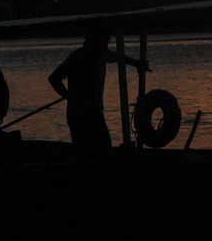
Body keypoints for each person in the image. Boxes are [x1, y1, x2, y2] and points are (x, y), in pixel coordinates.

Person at [48, 22, 148, 159]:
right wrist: (68, 96)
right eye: (104, 40)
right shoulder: (77, 58)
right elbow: (54, 78)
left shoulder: (102, 54)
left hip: (92, 110)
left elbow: (120, 58)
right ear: (94, 40)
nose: (107, 43)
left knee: (99, 148)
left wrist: (137, 63)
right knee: (89, 150)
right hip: (79, 112)